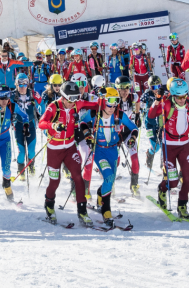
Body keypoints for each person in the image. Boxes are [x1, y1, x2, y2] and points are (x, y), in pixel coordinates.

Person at [148, 78, 189, 220]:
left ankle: (182, 205)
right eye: (179, 97)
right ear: (172, 95)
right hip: (169, 146)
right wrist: (157, 100)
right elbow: (151, 115)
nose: (182, 100)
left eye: (184, 96)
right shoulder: (166, 105)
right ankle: (162, 189)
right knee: (173, 182)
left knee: (187, 179)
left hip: (184, 145)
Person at [38, 81, 98, 226]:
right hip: (54, 150)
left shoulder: (76, 104)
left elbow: (94, 104)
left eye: (76, 98)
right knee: (55, 181)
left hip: (70, 148)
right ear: (63, 97)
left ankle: (82, 211)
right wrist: (53, 125)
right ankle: (49, 205)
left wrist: (105, 99)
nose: (73, 103)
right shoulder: (53, 107)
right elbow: (41, 123)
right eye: (71, 99)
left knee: (78, 177)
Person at [86, 86, 139, 227]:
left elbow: (134, 127)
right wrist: (87, 135)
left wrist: (132, 137)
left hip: (113, 151)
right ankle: (106, 211)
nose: (113, 105)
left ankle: (99, 194)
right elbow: (82, 123)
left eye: (116, 101)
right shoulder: (94, 113)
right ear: (103, 101)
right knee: (108, 176)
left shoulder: (119, 115)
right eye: (110, 101)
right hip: (99, 151)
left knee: (110, 181)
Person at [0, 86, 29, 205]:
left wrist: (25, 126)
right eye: (1, 97)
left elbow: (25, 116)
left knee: (7, 169)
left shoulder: (12, 105)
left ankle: (7, 186)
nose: (4, 100)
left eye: (7, 97)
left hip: (5, 140)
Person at [115, 75, 141, 197]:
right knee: (116, 160)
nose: (125, 91)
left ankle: (134, 185)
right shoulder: (114, 99)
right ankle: (111, 184)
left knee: (134, 159)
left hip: (129, 132)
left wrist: (137, 114)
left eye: (127, 88)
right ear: (117, 89)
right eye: (122, 88)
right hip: (116, 133)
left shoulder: (133, 97)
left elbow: (138, 101)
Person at [12, 73, 41, 178]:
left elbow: (41, 103)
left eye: (25, 84)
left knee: (32, 151)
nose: (23, 87)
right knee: (21, 152)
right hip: (18, 125)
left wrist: (41, 114)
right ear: (16, 84)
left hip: (31, 124)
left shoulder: (33, 93)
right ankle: (21, 170)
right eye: (20, 84)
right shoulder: (12, 95)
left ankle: (31, 166)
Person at [140, 75, 164, 172]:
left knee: (163, 144)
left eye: (158, 86)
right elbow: (139, 104)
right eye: (154, 87)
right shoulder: (147, 94)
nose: (156, 89)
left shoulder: (164, 94)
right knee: (155, 146)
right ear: (150, 87)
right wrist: (141, 110)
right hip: (149, 123)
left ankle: (164, 165)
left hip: (161, 122)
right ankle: (149, 154)